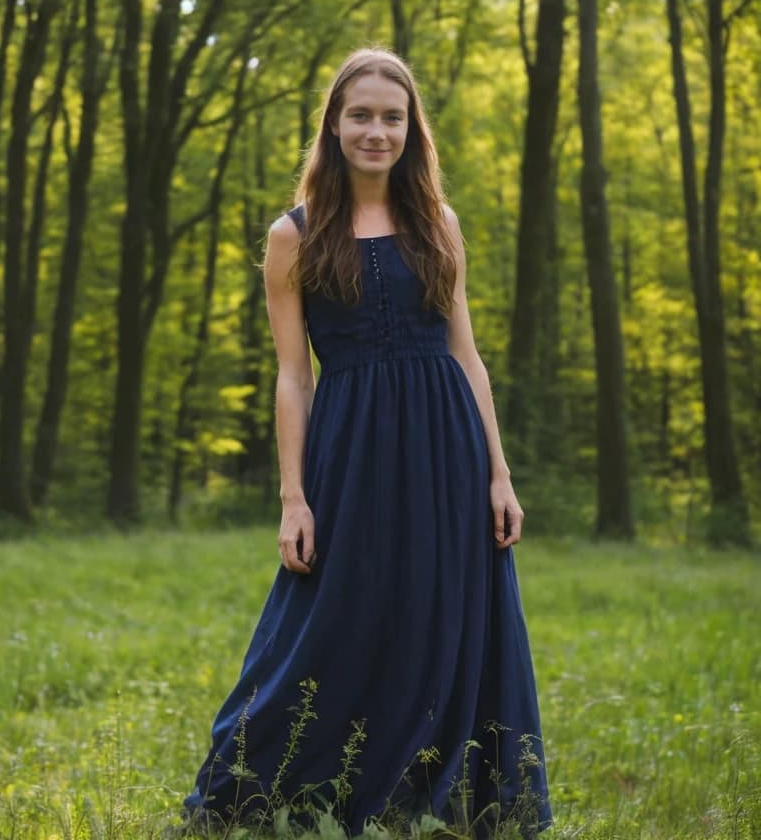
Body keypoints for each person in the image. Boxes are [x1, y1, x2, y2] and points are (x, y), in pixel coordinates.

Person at [181, 48, 551, 837]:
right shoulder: (295, 235)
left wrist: (499, 475)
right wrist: (293, 498)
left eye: (392, 116)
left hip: (448, 446)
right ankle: (262, 792)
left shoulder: (437, 222)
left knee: (446, 616)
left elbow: (466, 356)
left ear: (412, 127)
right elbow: (293, 377)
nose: (376, 130)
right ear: (334, 125)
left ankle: (437, 796)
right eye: (361, 115)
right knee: (330, 620)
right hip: (349, 451)